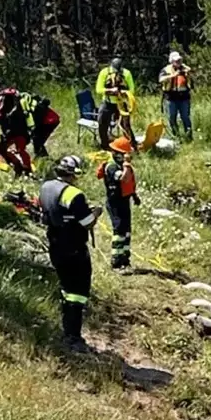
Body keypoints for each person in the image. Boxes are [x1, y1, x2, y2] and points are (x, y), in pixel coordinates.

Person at [39, 155, 102, 353]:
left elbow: (55, 210)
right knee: (78, 293)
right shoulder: (74, 194)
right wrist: (96, 213)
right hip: (74, 248)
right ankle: (73, 336)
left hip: (55, 244)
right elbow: (87, 222)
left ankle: (66, 328)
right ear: (74, 173)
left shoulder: (46, 186)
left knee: (66, 288)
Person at [97, 136, 140, 270]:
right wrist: (127, 164)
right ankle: (116, 260)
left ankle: (125, 258)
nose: (125, 156)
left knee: (126, 230)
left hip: (124, 200)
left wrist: (134, 195)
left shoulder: (122, 165)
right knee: (119, 229)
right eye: (123, 153)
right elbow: (124, 178)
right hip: (114, 202)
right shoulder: (111, 166)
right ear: (115, 152)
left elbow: (129, 184)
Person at [0, 78, 33, 178]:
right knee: (21, 150)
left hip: (10, 130)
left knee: (2, 151)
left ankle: (18, 168)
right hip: (22, 128)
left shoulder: (3, 97)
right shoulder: (16, 95)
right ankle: (28, 171)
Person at [95, 57, 137, 151]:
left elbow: (132, 90)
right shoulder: (104, 73)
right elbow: (98, 89)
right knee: (102, 123)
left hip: (122, 103)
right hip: (108, 102)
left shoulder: (126, 73)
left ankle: (132, 145)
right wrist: (110, 90)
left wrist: (123, 92)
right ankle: (104, 145)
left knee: (125, 125)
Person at [159, 51, 193, 140]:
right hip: (171, 98)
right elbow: (161, 79)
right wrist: (173, 76)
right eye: (176, 60)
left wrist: (187, 72)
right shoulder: (166, 70)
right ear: (171, 61)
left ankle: (189, 136)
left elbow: (192, 75)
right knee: (171, 117)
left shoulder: (185, 69)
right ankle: (175, 136)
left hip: (184, 97)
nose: (178, 62)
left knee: (185, 117)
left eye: (179, 60)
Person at [19, 91, 60, 158]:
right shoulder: (31, 103)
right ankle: (40, 156)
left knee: (37, 140)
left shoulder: (35, 108)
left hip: (50, 121)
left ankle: (43, 158)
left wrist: (30, 134)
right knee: (36, 139)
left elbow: (36, 122)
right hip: (47, 120)